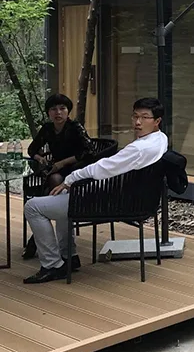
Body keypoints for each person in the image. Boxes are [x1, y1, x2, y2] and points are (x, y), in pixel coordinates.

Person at [23, 98, 168, 284]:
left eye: (145, 117)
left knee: (33, 207)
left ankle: (53, 265)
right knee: (60, 195)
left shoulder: (139, 149)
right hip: (128, 197)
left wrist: (70, 179)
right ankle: (69, 256)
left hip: (108, 201)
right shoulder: (161, 139)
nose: (138, 122)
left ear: (157, 121)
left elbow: (102, 167)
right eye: (135, 116)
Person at [23, 93, 96, 260]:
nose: (58, 113)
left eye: (62, 108)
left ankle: (37, 235)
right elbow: (32, 149)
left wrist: (62, 163)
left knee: (53, 182)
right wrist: (40, 158)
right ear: (48, 112)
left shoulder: (75, 127)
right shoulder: (48, 129)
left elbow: (89, 152)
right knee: (54, 180)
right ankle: (46, 215)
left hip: (76, 171)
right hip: (55, 171)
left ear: (68, 111)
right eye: (53, 109)